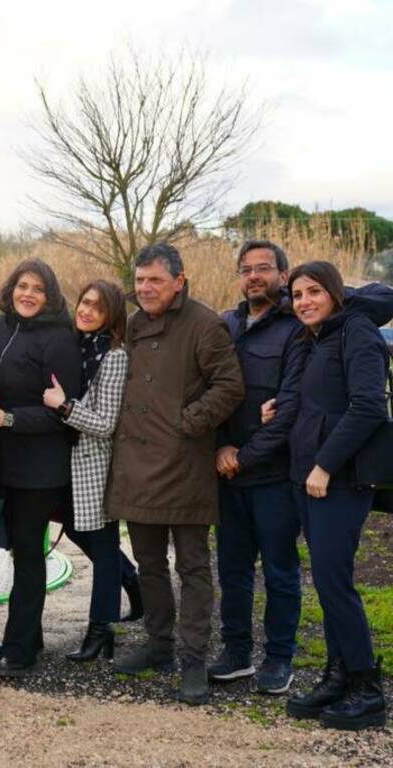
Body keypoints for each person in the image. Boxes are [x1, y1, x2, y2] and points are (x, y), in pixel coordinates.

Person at [108, 242, 244, 706]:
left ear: (179, 281)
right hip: (138, 467)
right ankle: (158, 644)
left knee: (192, 567)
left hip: (185, 465)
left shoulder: (206, 324)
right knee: (148, 563)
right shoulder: (133, 323)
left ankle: (193, 659)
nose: (145, 288)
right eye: (140, 280)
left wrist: (187, 424)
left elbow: (230, 385)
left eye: (155, 281)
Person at [278, 262, 390, 730]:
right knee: (326, 581)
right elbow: (323, 401)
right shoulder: (318, 337)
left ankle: (366, 688)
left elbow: (367, 405)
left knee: (335, 582)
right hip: (308, 478)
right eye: (297, 294)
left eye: (314, 291)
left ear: (336, 293)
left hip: (339, 480)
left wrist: (325, 464)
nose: (304, 301)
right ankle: (338, 674)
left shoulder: (356, 331)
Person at [0, 258, 81, 677]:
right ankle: (24, 635)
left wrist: (10, 419)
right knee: (20, 551)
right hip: (4, 460)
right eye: (22, 286)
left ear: (50, 295)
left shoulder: (59, 340)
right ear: (10, 289)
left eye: (38, 288)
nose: (28, 294)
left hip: (40, 465)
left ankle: (22, 648)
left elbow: (62, 412)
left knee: (29, 555)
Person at [209, 241, 303, 694]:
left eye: (264, 268)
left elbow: (290, 409)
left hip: (275, 477)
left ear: (284, 275)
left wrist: (243, 456)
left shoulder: (296, 329)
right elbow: (208, 392)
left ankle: (280, 658)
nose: (254, 276)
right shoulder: (225, 325)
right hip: (228, 477)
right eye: (246, 269)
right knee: (232, 569)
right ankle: (236, 652)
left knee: (281, 572)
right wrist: (221, 447)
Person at [41, 280, 142, 662]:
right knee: (86, 537)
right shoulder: (75, 346)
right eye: (84, 302)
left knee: (101, 548)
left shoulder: (115, 356)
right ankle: (132, 581)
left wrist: (64, 406)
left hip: (94, 466)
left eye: (97, 308)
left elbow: (105, 423)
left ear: (111, 315)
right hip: (64, 463)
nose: (86, 311)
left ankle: (101, 631)